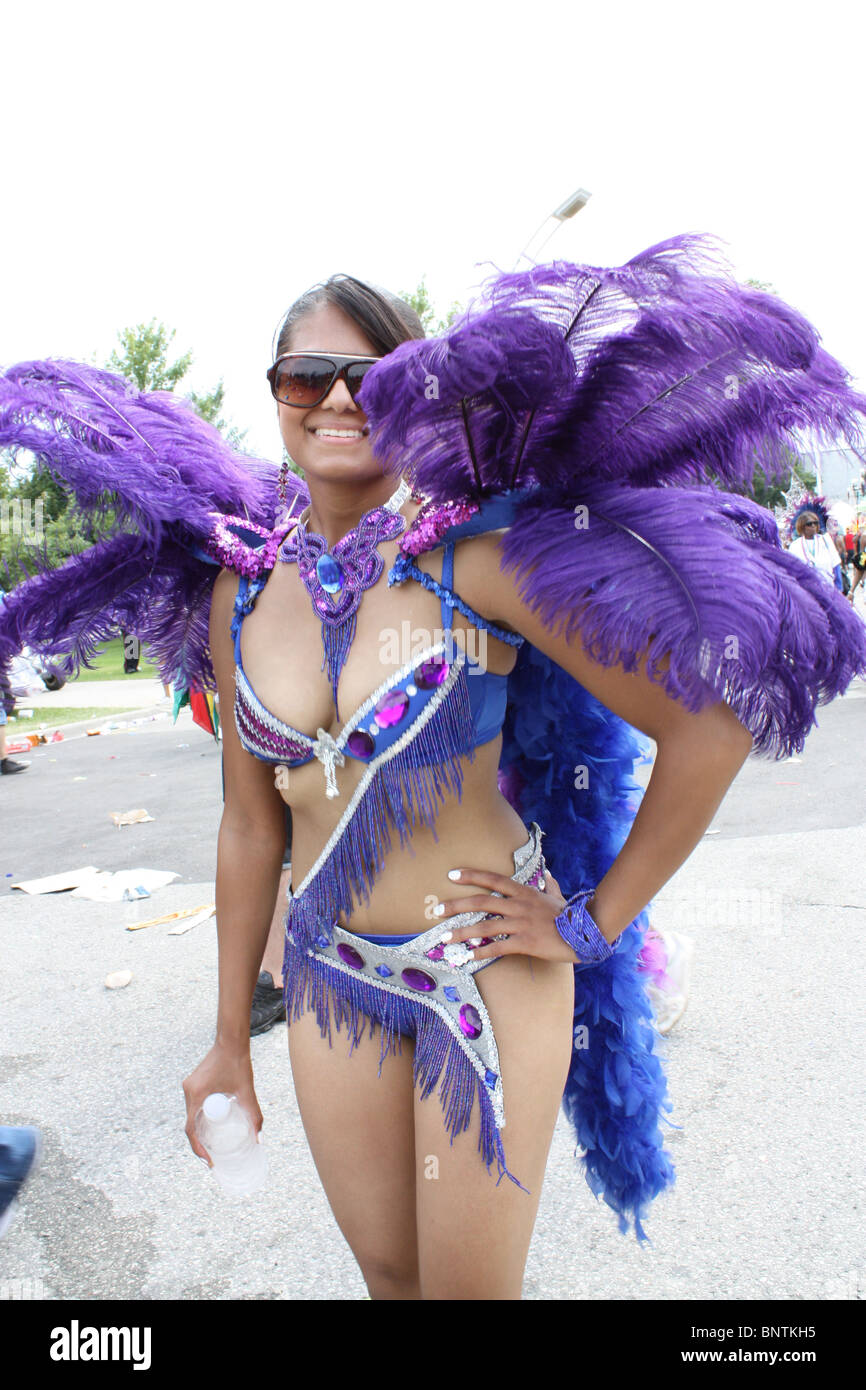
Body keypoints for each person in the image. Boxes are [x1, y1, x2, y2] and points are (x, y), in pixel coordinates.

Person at [2, 237, 865, 1299]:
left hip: (483, 972)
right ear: (276, 396)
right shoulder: (239, 594)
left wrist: (590, 923)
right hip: (329, 974)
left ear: (415, 398)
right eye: (304, 376)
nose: (335, 399)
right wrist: (227, 1039)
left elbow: (711, 729)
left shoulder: (474, 565)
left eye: (369, 379)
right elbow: (249, 824)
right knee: (388, 1279)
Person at [787, 511, 844, 588]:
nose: (813, 526)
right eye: (809, 524)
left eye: (815, 523)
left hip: (828, 587)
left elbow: (836, 565)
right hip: (806, 589)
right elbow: (792, 570)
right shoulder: (795, 546)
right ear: (802, 526)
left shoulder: (826, 540)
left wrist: (838, 589)